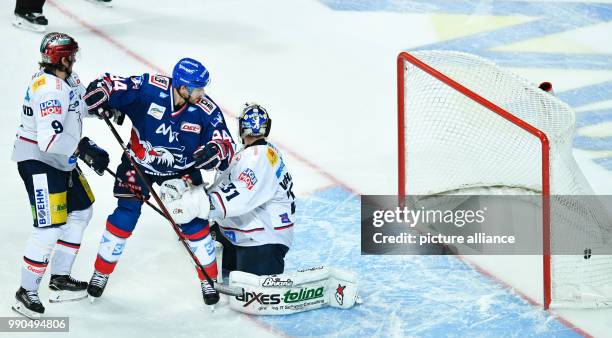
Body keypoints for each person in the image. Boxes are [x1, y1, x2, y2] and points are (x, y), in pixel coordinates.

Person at [82, 58, 235, 306]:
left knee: (193, 223)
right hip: (138, 164)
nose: (202, 94)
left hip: (181, 172)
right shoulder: (149, 89)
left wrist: (216, 151)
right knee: (125, 215)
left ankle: (209, 279)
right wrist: (101, 91)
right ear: (183, 88)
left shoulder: (206, 110)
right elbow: (113, 84)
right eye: (198, 89)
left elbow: (226, 143)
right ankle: (101, 273)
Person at [11, 32, 110, 319]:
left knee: (81, 211)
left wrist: (103, 108)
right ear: (62, 59)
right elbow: (49, 140)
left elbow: (79, 104)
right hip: (39, 162)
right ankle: (25, 292)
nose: (75, 60)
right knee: (50, 226)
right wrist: (85, 148)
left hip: (60, 161)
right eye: (72, 56)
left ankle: (60, 279)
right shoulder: (49, 89)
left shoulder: (66, 79)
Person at [161, 103, 295, 276]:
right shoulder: (252, 154)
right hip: (241, 232)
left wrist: (197, 204)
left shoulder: (258, 157)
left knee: (246, 296)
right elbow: (225, 185)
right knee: (193, 238)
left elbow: (242, 196)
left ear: (242, 128)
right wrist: (191, 192)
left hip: (263, 239)